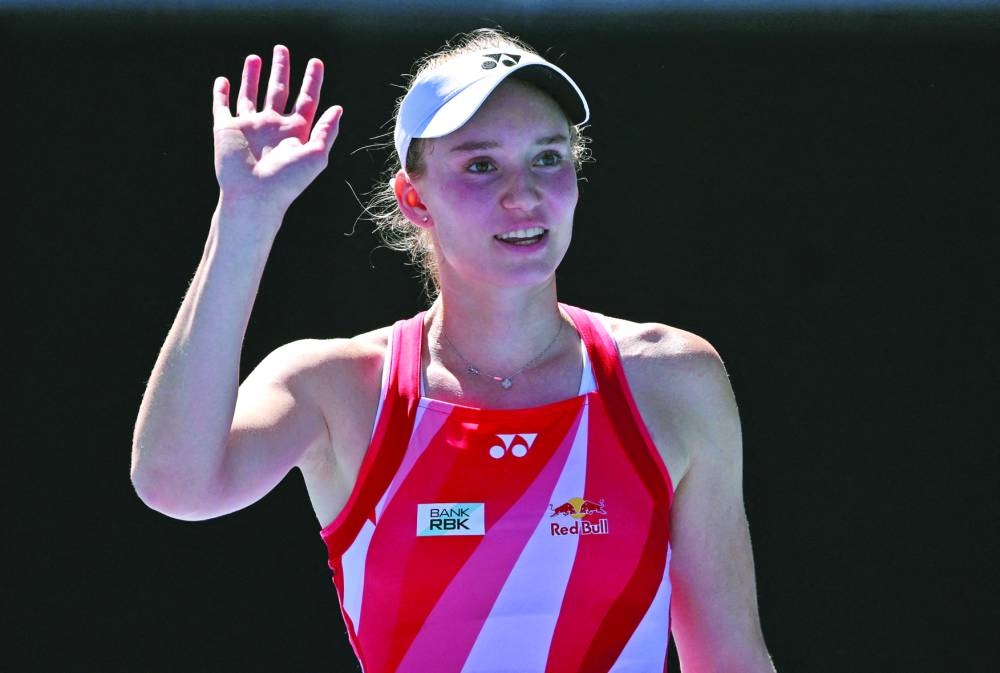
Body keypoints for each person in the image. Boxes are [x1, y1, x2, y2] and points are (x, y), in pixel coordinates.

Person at [131, 28, 776, 673]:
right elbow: (177, 486)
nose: (523, 195)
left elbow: (729, 658)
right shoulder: (341, 388)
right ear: (415, 199)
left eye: (548, 157)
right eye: (480, 165)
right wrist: (246, 214)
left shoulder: (673, 378)